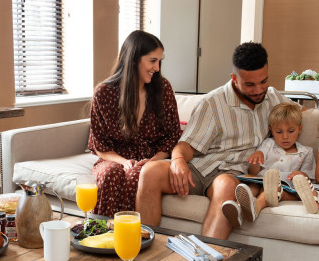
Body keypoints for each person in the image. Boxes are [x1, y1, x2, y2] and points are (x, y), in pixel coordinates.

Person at [135, 42, 289, 241]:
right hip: (199, 169)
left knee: (225, 185)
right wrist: (178, 161)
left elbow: (304, 116)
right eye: (250, 84)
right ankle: (142, 250)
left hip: (233, 174)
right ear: (234, 78)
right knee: (150, 171)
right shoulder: (212, 103)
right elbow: (186, 146)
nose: (258, 90)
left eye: (263, 81)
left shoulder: (273, 98)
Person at [87, 30, 181, 217]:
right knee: (109, 175)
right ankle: (102, 234)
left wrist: (151, 162)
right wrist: (124, 162)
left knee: (135, 176)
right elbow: (100, 145)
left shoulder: (163, 89)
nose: (157, 68)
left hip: (152, 159)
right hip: (113, 158)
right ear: (133, 60)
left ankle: (130, 237)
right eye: (152, 61)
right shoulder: (104, 93)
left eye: (160, 61)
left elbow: (172, 136)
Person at [221, 101, 315, 228]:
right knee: (252, 187)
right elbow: (254, 172)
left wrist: (301, 174)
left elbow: (309, 178)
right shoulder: (268, 144)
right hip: (261, 179)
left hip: (284, 186)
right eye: (279, 132)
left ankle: (256, 207)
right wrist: (256, 158)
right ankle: (238, 210)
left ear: (299, 129)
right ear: (271, 130)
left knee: (268, 189)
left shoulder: (306, 152)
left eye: (291, 131)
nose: (285, 136)